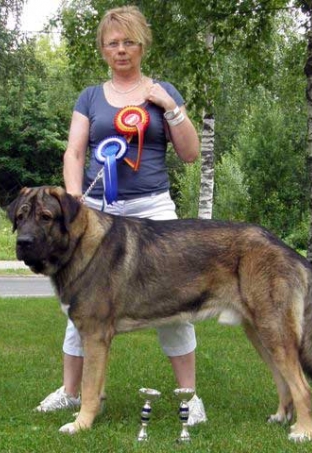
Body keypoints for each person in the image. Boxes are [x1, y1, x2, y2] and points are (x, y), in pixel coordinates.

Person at [35, 6, 207, 425]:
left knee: (174, 304)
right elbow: (74, 151)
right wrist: (74, 200)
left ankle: (190, 396)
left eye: (128, 41)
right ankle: (72, 392)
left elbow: (190, 153)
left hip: (155, 212)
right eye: (113, 43)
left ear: (142, 44)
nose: (121, 49)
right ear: (103, 49)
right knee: (80, 302)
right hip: (99, 215)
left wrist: (170, 106)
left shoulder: (163, 90)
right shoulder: (90, 97)